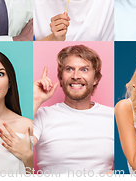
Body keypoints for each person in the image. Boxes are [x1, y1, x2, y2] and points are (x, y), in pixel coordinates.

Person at [33, 45, 114, 173]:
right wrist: (34, 100)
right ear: (61, 77)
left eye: (84, 70)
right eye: (69, 69)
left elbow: (135, 163)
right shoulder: (42, 115)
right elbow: (18, 150)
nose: (76, 76)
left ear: (96, 78)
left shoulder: (113, 116)